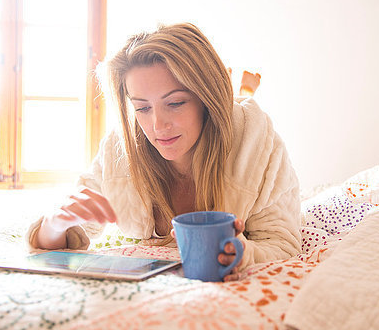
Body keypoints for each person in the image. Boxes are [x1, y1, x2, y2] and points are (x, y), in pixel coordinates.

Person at [26, 23, 301, 281]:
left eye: (176, 103)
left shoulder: (255, 143)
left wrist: (244, 255)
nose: (158, 125)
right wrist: (53, 224)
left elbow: (282, 243)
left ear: (207, 99)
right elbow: (68, 234)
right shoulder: (120, 149)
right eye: (142, 108)